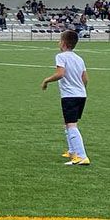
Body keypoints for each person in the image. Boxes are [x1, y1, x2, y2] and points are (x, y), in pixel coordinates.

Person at [41, 29, 90, 166]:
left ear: (63, 43)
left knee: (71, 124)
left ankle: (81, 156)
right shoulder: (79, 58)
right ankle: (72, 150)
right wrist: (80, 89)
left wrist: (46, 80)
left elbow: (60, 74)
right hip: (81, 95)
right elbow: (85, 79)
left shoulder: (61, 56)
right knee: (67, 121)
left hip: (70, 95)